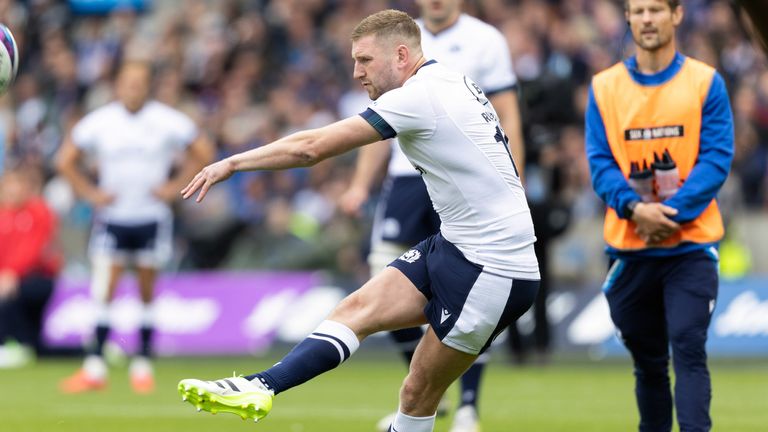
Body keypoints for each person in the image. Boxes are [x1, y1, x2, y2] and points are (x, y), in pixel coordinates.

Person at [177, 9, 539, 432]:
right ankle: (259, 386)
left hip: (494, 267)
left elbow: (311, 147)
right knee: (356, 308)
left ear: (401, 55)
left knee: (417, 392)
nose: (355, 72)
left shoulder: (418, 97)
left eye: (365, 60)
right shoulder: (448, 80)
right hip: (457, 244)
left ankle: (467, 410)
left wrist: (234, 162)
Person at [336, 1, 525, 430]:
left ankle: (469, 406)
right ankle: (424, 392)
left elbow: (506, 112)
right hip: (407, 178)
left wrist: (514, 174)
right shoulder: (395, 37)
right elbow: (375, 124)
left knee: (471, 282)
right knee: (380, 275)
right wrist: (359, 185)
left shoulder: (486, 40)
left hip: (465, 177)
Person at [585, 1, 733, 431]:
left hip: (690, 246)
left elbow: (716, 159)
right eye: (638, 10)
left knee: (688, 348)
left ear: (677, 15)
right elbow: (600, 162)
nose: (647, 19)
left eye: (655, 9)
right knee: (648, 364)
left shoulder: (706, 82)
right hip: (631, 250)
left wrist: (666, 215)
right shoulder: (604, 87)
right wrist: (635, 210)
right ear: (628, 19)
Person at [56, 61, 214, 394]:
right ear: (118, 86)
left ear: (148, 86)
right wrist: (90, 193)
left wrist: (174, 188)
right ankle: (95, 366)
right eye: (127, 83)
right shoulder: (101, 121)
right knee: (105, 290)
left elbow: (203, 151)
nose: (133, 89)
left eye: (139, 83)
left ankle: (142, 364)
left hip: (151, 216)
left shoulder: (165, 120)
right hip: (114, 218)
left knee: (146, 291)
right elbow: (64, 160)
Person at [0, 164, 61, 368]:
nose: (13, 189)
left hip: (36, 278)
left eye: (17, 184)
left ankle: (14, 344)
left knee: (12, 298)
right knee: (36, 343)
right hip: (7, 279)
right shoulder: (3, 215)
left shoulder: (39, 211)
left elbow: (33, 250)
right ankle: (25, 345)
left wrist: (12, 274)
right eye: (9, 184)